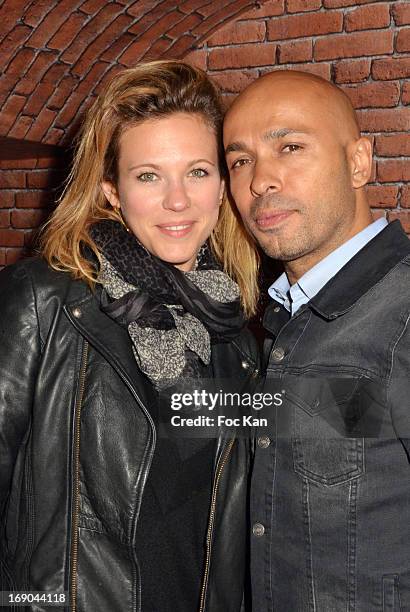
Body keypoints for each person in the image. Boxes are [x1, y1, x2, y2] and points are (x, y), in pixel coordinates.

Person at [0, 60, 260, 612]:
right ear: (110, 191)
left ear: (222, 187)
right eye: (148, 175)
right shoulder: (44, 302)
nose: (177, 200)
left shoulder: (233, 336)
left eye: (197, 171)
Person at [223, 70, 410, 611]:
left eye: (290, 146)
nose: (261, 181)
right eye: (240, 161)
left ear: (358, 162)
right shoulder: (273, 319)